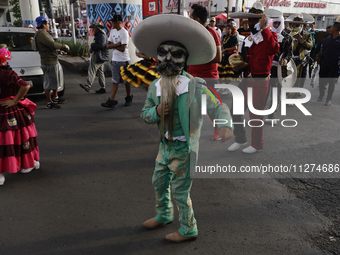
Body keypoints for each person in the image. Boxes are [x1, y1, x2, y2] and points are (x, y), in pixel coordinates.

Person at [134, 14, 233, 243]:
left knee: (180, 191)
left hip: (184, 149)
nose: (168, 58)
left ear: (185, 58)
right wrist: (156, 112)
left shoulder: (196, 86)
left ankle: (189, 229)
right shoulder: (154, 86)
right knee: (158, 181)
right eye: (163, 53)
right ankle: (164, 214)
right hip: (164, 146)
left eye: (176, 54)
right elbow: (145, 115)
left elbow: (218, 106)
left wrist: (226, 124)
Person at [228, 2, 279, 153]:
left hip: (260, 80)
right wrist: (239, 65)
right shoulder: (248, 38)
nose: (251, 23)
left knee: (255, 114)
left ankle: (257, 144)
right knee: (235, 110)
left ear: (262, 19)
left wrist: (264, 29)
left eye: (254, 19)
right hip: (247, 79)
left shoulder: (271, 34)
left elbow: (274, 49)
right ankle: (240, 139)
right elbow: (246, 59)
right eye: (249, 20)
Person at [0, 45, 40, 186]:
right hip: (12, 111)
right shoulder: (9, 74)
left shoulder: (7, 74)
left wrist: (14, 100)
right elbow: (25, 86)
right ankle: (28, 163)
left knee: (6, 140)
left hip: (7, 110)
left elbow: (25, 86)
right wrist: (15, 100)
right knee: (22, 138)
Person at [188, 4, 222, 140]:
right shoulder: (191, 33)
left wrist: (198, 57)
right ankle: (191, 133)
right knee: (191, 106)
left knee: (210, 108)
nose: (188, 20)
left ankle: (217, 128)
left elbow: (218, 57)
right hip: (192, 76)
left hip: (208, 77)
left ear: (196, 19)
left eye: (190, 17)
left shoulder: (212, 33)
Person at [33, 16, 69, 109]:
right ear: (44, 24)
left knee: (54, 81)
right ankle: (49, 103)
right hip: (48, 62)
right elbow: (52, 45)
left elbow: (48, 48)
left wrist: (58, 51)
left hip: (52, 60)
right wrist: (63, 46)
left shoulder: (44, 33)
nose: (49, 25)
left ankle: (55, 98)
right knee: (48, 82)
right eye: (47, 24)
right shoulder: (42, 34)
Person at [265, 15, 292, 123]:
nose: (276, 25)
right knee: (265, 91)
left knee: (277, 92)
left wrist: (284, 60)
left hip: (281, 68)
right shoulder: (268, 35)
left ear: (282, 23)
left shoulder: (287, 37)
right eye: (274, 23)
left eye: (278, 23)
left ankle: (272, 115)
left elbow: (289, 54)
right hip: (268, 67)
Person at [101, 14, 132, 108]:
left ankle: (128, 97)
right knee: (115, 81)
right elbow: (107, 45)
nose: (111, 23)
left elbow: (123, 48)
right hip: (115, 60)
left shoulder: (124, 33)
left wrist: (114, 45)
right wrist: (116, 44)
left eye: (113, 22)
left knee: (126, 81)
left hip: (124, 60)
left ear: (118, 22)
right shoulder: (113, 31)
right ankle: (111, 100)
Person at [286, 13, 313, 97]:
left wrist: (301, 39)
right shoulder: (287, 32)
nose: (297, 24)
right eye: (295, 22)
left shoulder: (306, 34)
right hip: (288, 59)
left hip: (299, 60)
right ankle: (287, 93)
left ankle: (293, 96)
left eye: (299, 22)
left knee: (296, 79)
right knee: (287, 78)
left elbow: (310, 46)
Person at [79, 22, 109, 94]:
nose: (93, 29)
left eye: (94, 28)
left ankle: (88, 85)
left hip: (98, 56)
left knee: (92, 69)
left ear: (97, 28)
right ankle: (103, 87)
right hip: (100, 56)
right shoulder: (99, 35)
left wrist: (92, 46)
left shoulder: (101, 36)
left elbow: (101, 45)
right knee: (100, 72)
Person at [316, 20, 340, 106]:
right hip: (324, 62)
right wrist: (318, 56)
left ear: (336, 28)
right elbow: (323, 49)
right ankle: (321, 94)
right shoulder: (328, 38)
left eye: (332, 27)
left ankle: (328, 98)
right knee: (321, 81)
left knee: (331, 82)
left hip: (335, 64)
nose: (331, 28)